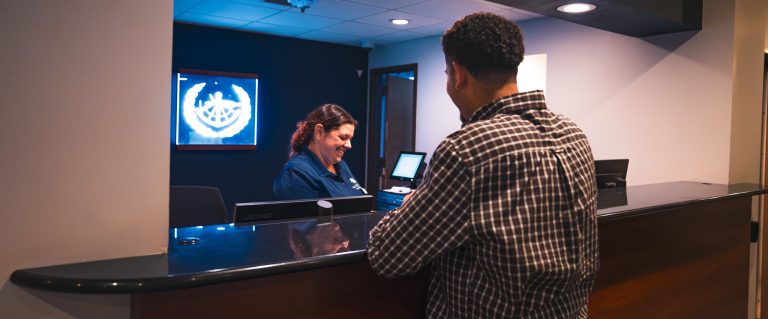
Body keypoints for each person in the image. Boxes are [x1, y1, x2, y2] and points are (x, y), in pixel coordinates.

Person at [367, 13, 599, 318]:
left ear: (458, 75)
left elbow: (388, 255)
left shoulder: (467, 150)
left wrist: (408, 205)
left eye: (446, 73)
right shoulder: (573, 133)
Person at [273, 104, 366, 200]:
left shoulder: (341, 165)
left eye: (350, 139)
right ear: (319, 132)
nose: (349, 145)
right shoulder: (296, 174)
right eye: (343, 137)